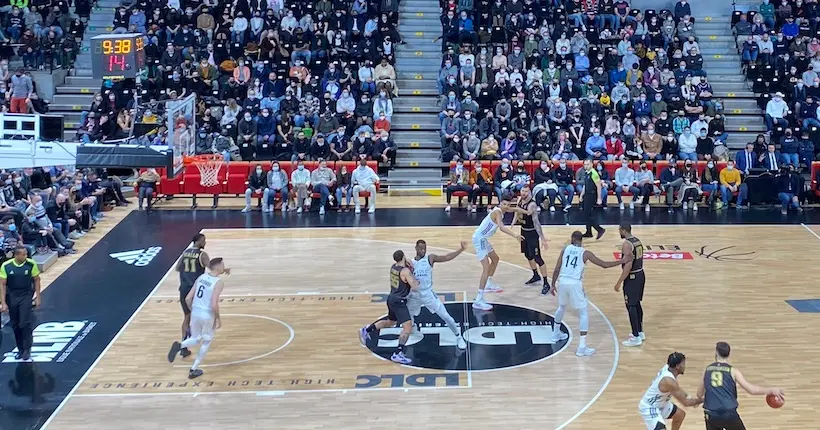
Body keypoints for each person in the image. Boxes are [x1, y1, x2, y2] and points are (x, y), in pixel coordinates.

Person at [549, 231, 620, 356]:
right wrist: (622, 261)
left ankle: (555, 334)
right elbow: (604, 265)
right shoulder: (585, 253)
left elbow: (557, 268)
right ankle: (582, 347)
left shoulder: (565, 249)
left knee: (561, 307)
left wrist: (552, 284)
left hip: (563, 281)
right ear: (581, 240)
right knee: (584, 313)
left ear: (572, 239)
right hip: (575, 284)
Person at [696, 342, 785, 430]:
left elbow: (699, 394)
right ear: (728, 354)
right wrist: (770, 390)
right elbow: (751, 390)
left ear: (716, 352)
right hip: (728, 413)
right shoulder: (733, 371)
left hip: (711, 413)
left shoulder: (707, 370)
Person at [167, 257, 227, 379]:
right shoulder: (219, 282)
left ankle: (180, 345)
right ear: (218, 266)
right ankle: (193, 369)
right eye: (223, 265)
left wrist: (192, 310)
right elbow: (214, 304)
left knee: (195, 338)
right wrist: (218, 318)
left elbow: (188, 298)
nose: (224, 267)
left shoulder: (201, 277)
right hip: (207, 314)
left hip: (195, 311)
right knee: (206, 341)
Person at [359, 249, 419, 364]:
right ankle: (398, 353)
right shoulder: (405, 271)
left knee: (390, 322)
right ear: (404, 257)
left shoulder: (393, 267)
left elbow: (402, 270)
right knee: (407, 328)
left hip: (391, 298)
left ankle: (366, 330)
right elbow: (415, 285)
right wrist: (414, 273)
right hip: (399, 302)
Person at [406, 239, 468, 349]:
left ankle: (458, 337)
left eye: (424, 248)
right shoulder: (410, 263)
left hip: (427, 293)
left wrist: (461, 249)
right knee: (408, 313)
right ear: (415, 248)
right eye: (420, 248)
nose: (423, 250)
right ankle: (414, 327)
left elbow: (446, 257)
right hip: (415, 294)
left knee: (445, 316)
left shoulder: (430, 258)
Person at [471, 193, 522, 310]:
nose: (506, 207)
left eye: (507, 205)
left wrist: (528, 211)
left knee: (495, 259)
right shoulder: (497, 212)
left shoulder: (504, 208)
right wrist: (515, 235)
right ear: (500, 203)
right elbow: (502, 227)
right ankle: (478, 300)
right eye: (504, 204)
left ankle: (488, 284)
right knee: (486, 268)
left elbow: (515, 208)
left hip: (483, 239)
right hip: (479, 239)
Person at [638, 352, 703, 430]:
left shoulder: (668, 368)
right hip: (650, 407)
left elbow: (678, 389)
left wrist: (688, 396)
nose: (685, 366)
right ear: (678, 366)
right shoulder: (669, 381)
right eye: (683, 364)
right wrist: (703, 400)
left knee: (679, 415)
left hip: (662, 404)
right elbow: (686, 403)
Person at [0, 247, 42, 361]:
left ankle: (27, 349)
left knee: (24, 323)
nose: (25, 256)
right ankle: (20, 349)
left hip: (26, 295)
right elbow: (2, 284)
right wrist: (3, 302)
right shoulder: (6, 266)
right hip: (12, 296)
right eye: (23, 254)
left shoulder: (31, 264)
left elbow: (37, 280)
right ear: (16, 255)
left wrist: (38, 297)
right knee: (15, 324)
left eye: (26, 254)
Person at [509, 185, 551, 294]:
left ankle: (546, 283)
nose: (523, 193)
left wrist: (542, 238)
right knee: (528, 255)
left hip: (532, 233)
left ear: (529, 192)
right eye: (522, 191)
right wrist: (513, 221)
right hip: (523, 231)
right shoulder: (519, 200)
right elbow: (517, 212)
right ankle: (536, 275)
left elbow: (536, 222)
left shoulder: (532, 204)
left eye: (526, 191)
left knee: (538, 258)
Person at [174, 233, 209, 359]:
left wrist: (187, 273)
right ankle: (196, 339)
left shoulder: (185, 253)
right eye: (204, 241)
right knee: (200, 316)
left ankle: (184, 346)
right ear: (198, 241)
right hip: (194, 290)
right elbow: (212, 268)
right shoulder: (202, 255)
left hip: (183, 288)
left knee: (187, 317)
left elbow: (178, 268)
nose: (205, 243)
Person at [614, 223, 646, 347]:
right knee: (637, 303)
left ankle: (635, 336)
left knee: (631, 306)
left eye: (619, 230)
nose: (619, 233)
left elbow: (627, 266)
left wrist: (619, 282)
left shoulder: (627, 244)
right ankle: (640, 331)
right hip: (640, 274)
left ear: (623, 230)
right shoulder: (637, 241)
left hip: (632, 277)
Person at [580, 159, 606, 239]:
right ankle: (588, 232)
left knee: (586, 215)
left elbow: (598, 186)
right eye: (585, 164)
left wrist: (599, 198)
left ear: (591, 164)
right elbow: (585, 185)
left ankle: (599, 229)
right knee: (588, 214)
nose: (586, 166)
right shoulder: (586, 173)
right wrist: (581, 195)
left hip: (592, 195)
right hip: (587, 194)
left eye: (588, 164)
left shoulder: (594, 173)